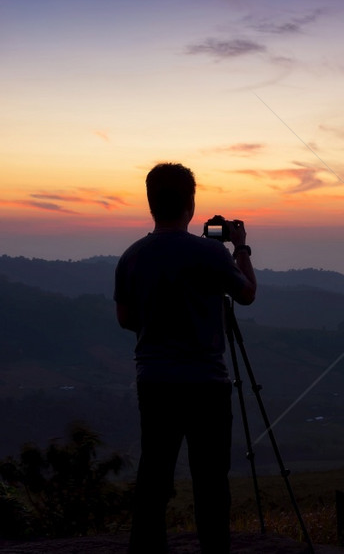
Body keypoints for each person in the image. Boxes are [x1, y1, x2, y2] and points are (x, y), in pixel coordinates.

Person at [114, 162, 256, 553]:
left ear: (150, 204)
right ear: (190, 204)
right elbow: (246, 294)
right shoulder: (211, 253)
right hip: (207, 385)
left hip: (155, 382)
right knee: (211, 480)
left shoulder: (132, 256)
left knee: (154, 475)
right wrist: (240, 247)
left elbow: (126, 319)